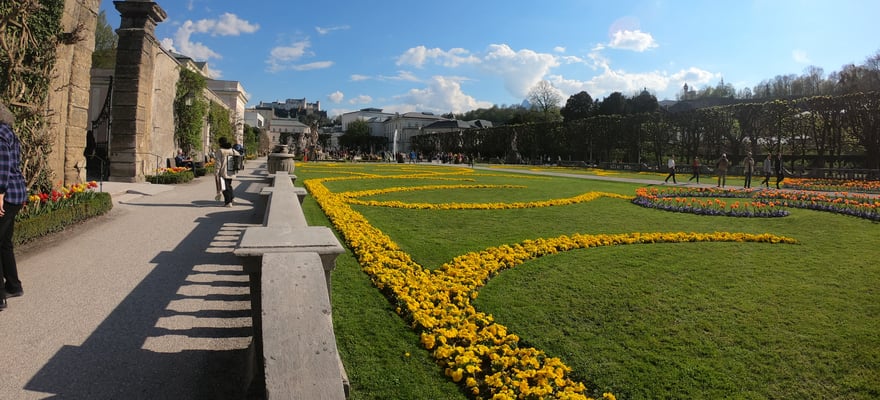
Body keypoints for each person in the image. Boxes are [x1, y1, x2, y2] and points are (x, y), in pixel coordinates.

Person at [0, 101, 27, 311]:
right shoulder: (8, 131)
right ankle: (13, 285)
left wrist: (0, 193)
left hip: (6, 195)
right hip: (15, 193)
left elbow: (3, 166)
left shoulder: (0, 133)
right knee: (4, 243)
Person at [214, 137, 240, 207]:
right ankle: (232, 198)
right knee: (228, 185)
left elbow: (218, 163)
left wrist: (216, 172)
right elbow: (238, 155)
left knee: (224, 187)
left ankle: (228, 202)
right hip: (231, 170)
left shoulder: (220, 151)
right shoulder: (232, 150)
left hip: (223, 171)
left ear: (220, 143)